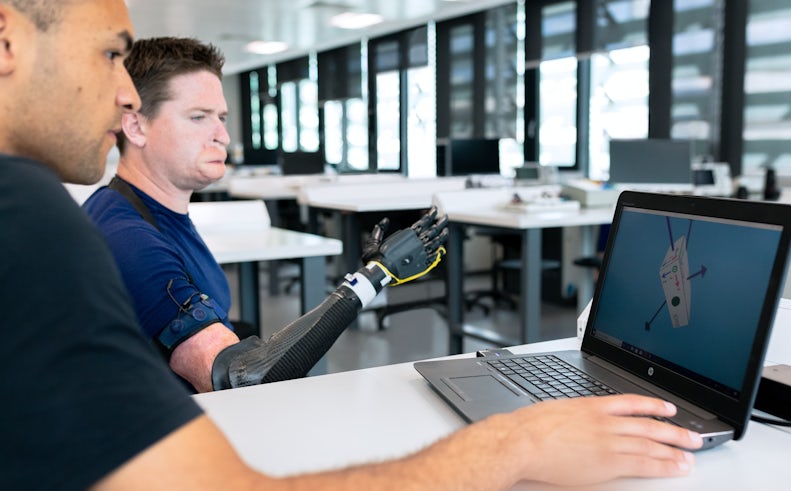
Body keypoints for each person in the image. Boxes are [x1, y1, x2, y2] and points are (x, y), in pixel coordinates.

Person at [0, 1, 702, 489]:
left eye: (222, 116)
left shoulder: (127, 215)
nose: (123, 93)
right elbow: (241, 376)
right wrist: (515, 439)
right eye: (110, 54)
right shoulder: (86, 227)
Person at [82, 36, 447, 393]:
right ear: (136, 126)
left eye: (221, 117)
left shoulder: (151, 211)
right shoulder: (128, 239)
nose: (222, 136)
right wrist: (374, 276)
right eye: (198, 117)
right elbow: (241, 376)